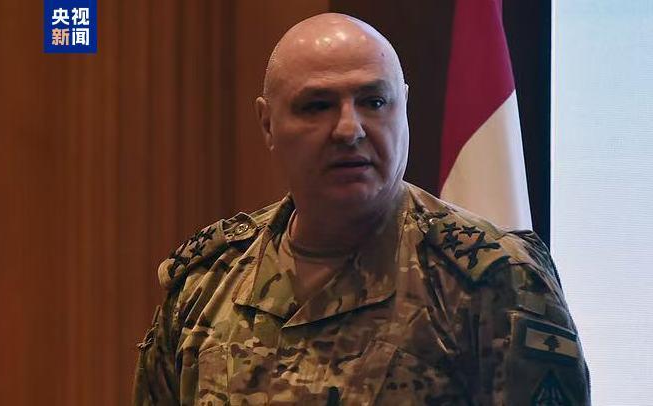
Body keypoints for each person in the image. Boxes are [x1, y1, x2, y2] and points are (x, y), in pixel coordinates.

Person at [133, 13, 590, 405]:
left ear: (403, 108)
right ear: (268, 124)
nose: (349, 129)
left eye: (374, 102)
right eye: (317, 106)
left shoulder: (493, 280)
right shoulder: (206, 282)